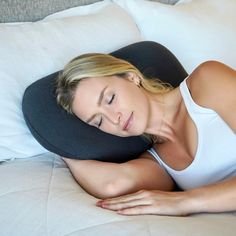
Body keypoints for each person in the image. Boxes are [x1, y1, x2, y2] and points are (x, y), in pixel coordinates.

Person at [55, 53, 236, 216]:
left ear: (130, 76)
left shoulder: (206, 81)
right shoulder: (158, 163)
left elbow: (185, 202)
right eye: (98, 121)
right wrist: (62, 150)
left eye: (110, 99)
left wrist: (187, 201)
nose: (114, 119)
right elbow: (113, 185)